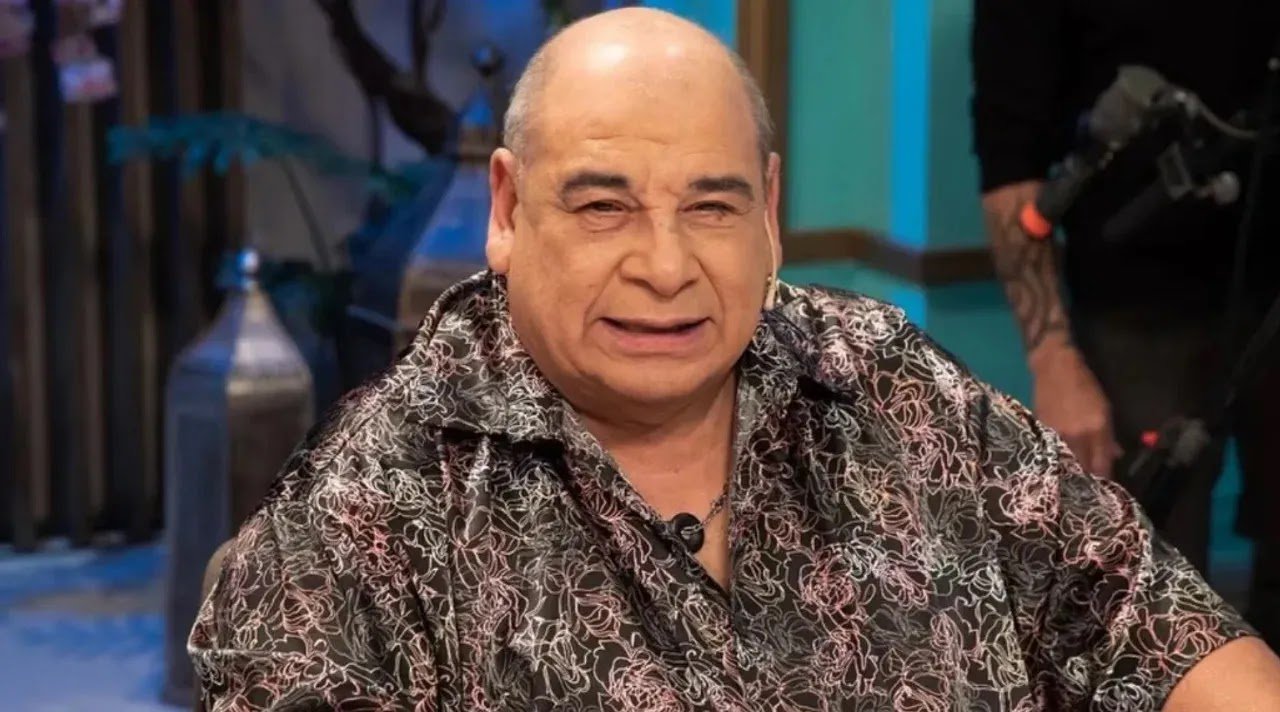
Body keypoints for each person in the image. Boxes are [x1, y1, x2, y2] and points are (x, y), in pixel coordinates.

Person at [191, 8, 1280, 710]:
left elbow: (1153, 624)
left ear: (767, 209)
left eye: (711, 207)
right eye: (604, 206)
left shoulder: (888, 382)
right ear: (510, 210)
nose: (666, 268)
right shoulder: (362, 516)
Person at [970, 1, 1280, 647]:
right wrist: (1053, 360)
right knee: (1152, 599)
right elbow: (1011, 163)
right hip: (1135, 315)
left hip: (1268, 299)